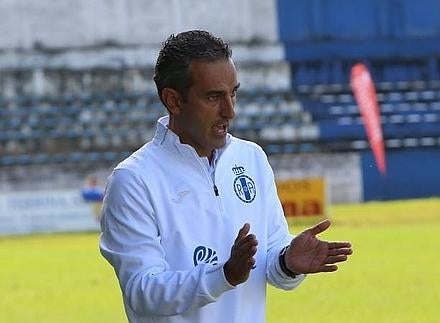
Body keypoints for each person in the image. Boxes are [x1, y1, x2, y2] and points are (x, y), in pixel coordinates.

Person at [99, 30, 352, 323]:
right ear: (174, 100)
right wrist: (224, 275)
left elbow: (271, 262)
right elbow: (143, 292)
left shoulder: (251, 158)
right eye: (213, 97)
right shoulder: (133, 180)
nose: (229, 111)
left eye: (233, 93)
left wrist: (287, 262)